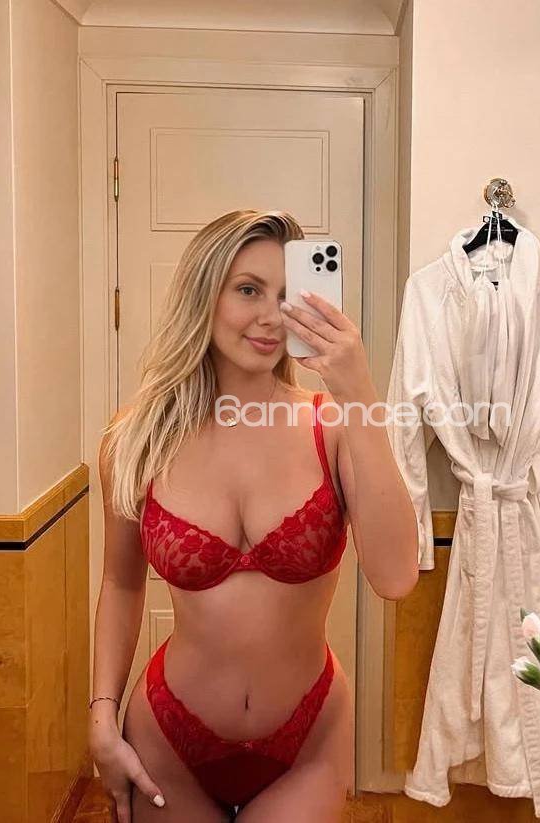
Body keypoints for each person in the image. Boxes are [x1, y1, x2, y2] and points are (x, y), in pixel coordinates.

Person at [87, 209, 420, 823]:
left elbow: (396, 577)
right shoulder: (136, 439)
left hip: (308, 740)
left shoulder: (334, 426)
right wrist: (102, 716)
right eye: (248, 290)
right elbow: (121, 581)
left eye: (288, 295)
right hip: (168, 736)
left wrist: (359, 392)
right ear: (203, 295)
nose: (272, 316)